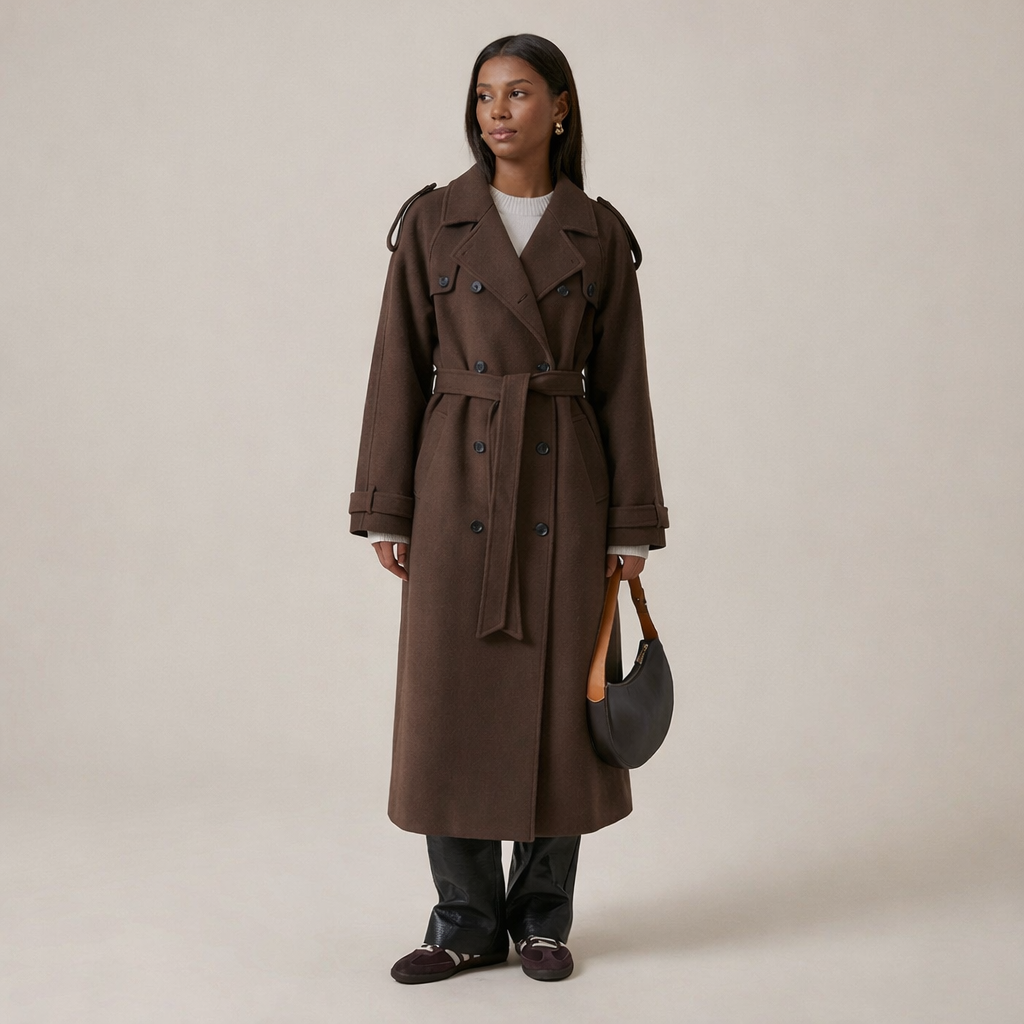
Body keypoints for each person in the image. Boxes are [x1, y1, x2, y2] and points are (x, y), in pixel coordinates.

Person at [349, 33, 669, 983]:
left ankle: (541, 919)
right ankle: (461, 920)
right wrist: (388, 506)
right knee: (448, 703)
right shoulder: (432, 221)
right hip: (455, 485)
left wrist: (630, 524)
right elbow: (396, 366)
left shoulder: (598, 232)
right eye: (485, 93)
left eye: (519, 93)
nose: (497, 111)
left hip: (564, 486)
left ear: (560, 108)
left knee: (562, 711)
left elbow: (623, 384)